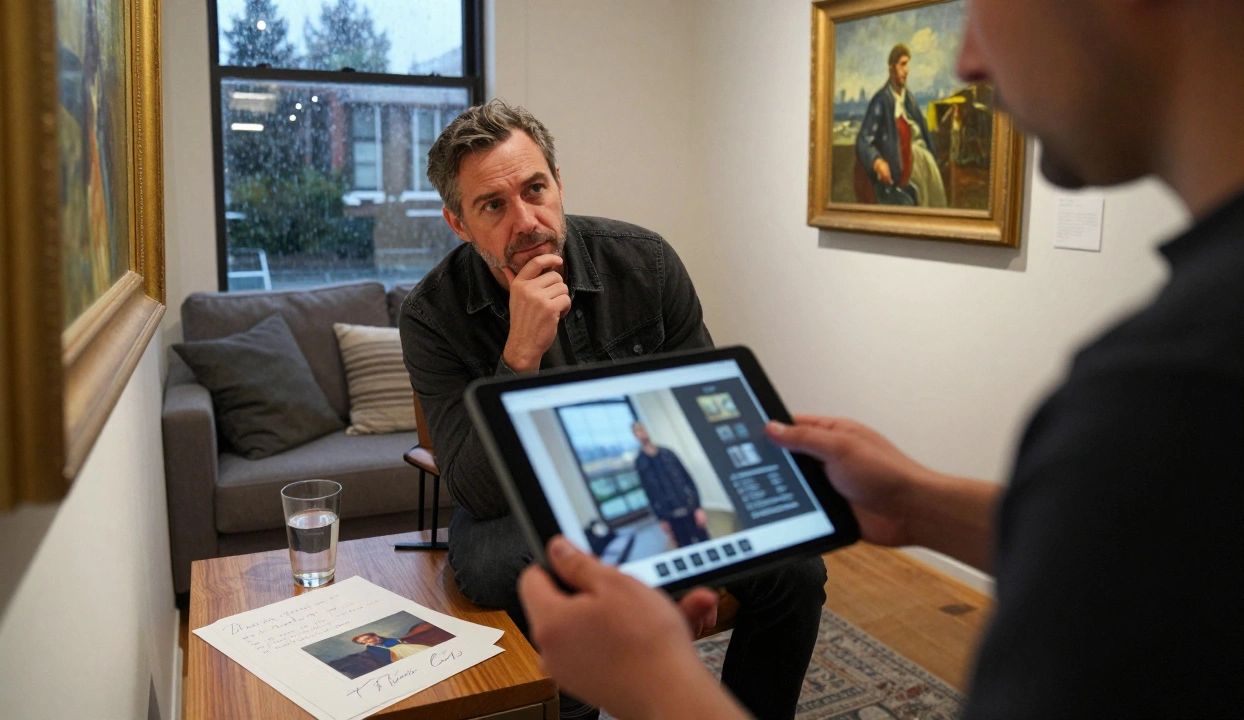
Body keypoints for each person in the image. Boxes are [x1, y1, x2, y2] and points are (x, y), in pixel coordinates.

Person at [517, 2, 1244, 718]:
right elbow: (1144, 558)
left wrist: (655, 688)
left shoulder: (1170, 395)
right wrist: (919, 502)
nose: (968, 62)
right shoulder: (1181, 384)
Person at [398, 100, 828, 720]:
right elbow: (474, 489)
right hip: (526, 509)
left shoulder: (645, 263)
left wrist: (696, 554)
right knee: (503, 569)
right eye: (494, 205)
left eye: (536, 189)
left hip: (652, 486)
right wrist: (518, 356)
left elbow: (705, 422)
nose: (527, 220)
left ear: (559, 183)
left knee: (797, 568)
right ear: (458, 223)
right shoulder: (431, 315)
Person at [855, 43, 947, 207]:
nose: (907, 70)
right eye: (903, 64)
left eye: (908, 65)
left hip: (917, 174)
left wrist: (933, 157)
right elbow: (863, 140)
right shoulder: (881, 101)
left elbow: (922, 131)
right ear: (891, 68)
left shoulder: (908, 99)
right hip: (893, 182)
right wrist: (878, 162)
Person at [631, 422, 709, 548]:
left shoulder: (668, 453)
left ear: (647, 430)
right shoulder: (640, 462)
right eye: (637, 432)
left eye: (642, 430)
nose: (641, 434)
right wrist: (661, 519)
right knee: (685, 547)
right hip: (670, 515)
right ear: (635, 436)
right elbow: (649, 493)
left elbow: (688, 479)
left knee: (705, 543)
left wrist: (698, 507)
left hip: (688, 507)